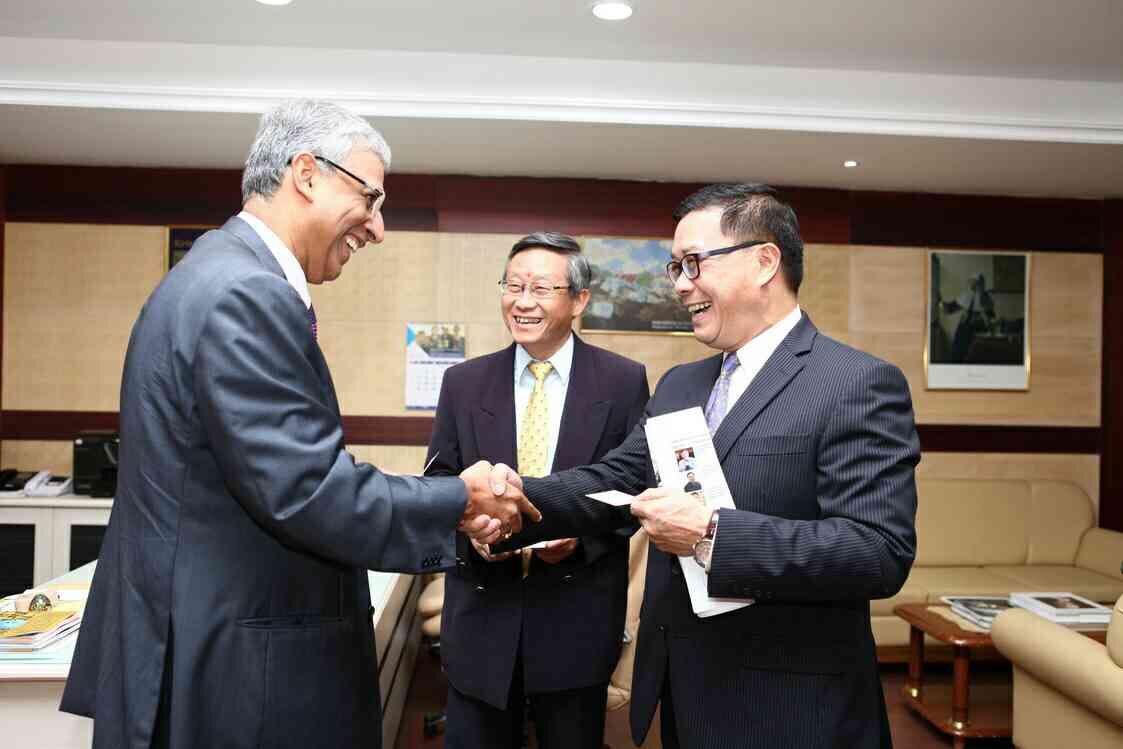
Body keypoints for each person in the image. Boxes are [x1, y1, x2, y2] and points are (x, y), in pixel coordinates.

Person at [59, 99, 537, 749]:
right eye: (369, 199)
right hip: (237, 677)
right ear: (307, 174)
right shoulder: (243, 293)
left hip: (212, 649)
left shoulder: (214, 275)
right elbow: (307, 488)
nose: (377, 227)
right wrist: (463, 496)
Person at [496, 183, 920, 748]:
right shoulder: (681, 384)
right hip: (686, 686)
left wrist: (712, 535)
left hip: (790, 704)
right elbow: (613, 479)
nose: (679, 284)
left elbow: (876, 551)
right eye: (676, 267)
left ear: (765, 261)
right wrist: (510, 494)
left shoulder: (854, 383)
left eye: (692, 264)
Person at [426, 232, 649, 749]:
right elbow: (438, 481)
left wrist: (579, 541)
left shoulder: (622, 382)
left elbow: (633, 492)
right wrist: (473, 529)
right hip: (482, 616)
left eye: (542, 288)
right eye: (513, 285)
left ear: (579, 300)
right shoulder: (463, 382)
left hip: (576, 618)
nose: (523, 301)